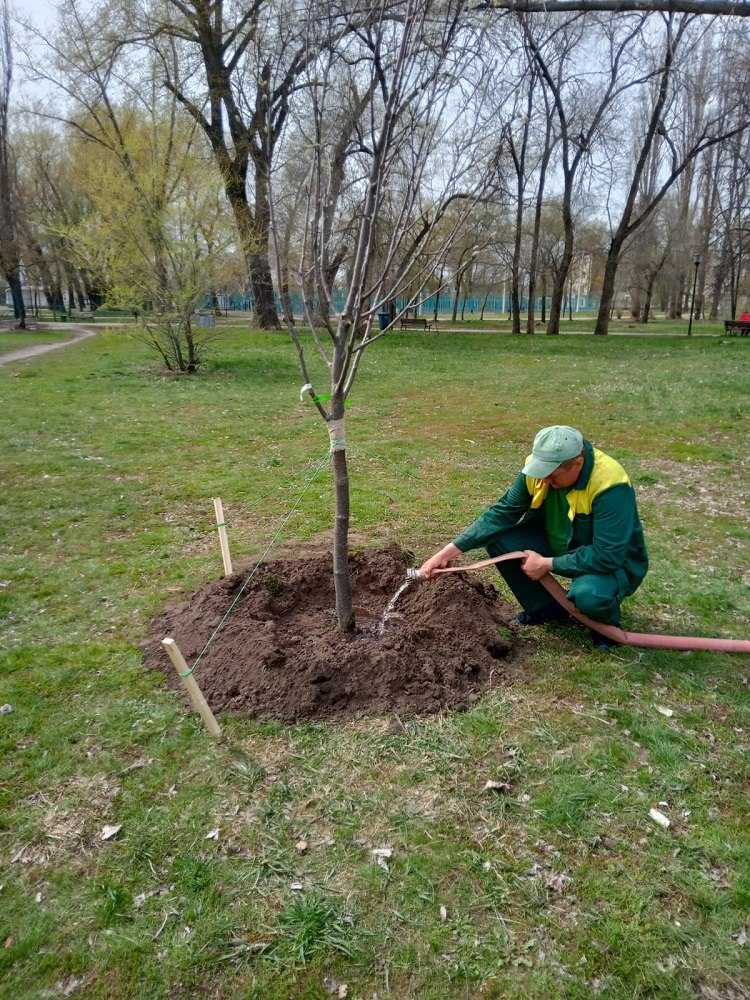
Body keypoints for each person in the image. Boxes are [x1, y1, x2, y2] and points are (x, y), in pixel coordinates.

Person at [418, 425, 648, 647]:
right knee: (502, 541)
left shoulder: (610, 483)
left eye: (552, 476)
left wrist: (547, 563)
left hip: (606, 559)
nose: (544, 480)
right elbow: (503, 512)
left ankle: (603, 627)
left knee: (589, 595)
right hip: (561, 541)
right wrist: (447, 552)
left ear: (577, 463)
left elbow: (608, 555)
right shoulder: (539, 470)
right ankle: (547, 609)